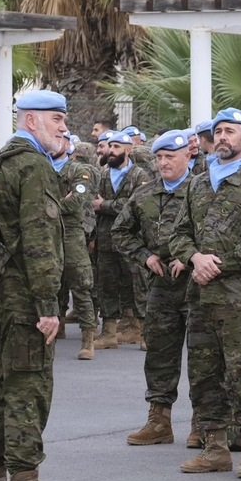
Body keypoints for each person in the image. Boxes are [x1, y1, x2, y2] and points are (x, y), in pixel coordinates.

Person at [0, 89, 75, 481]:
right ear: (31, 121)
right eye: (56, 119)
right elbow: (39, 240)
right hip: (23, 302)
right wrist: (49, 305)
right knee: (26, 394)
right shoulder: (33, 165)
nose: (63, 127)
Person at [170, 107, 241, 474]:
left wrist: (215, 264)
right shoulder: (197, 184)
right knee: (204, 376)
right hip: (200, 299)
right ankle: (214, 448)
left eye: (230, 131)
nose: (222, 137)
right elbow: (178, 234)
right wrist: (194, 257)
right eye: (218, 131)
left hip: (238, 301)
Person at [111, 130, 196, 445]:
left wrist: (190, 257)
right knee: (160, 353)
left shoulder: (202, 190)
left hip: (197, 285)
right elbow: (120, 231)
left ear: (187, 156)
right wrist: (145, 257)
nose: (163, 163)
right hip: (160, 285)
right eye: (159, 157)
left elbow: (217, 233)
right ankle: (159, 421)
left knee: (202, 357)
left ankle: (203, 423)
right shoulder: (144, 194)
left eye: (170, 157)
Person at [93, 130, 149, 349]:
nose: (111, 151)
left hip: (132, 240)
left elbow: (137, 205)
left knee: (137, 284)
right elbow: (92, 203)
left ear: (128, 150)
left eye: (117, 147)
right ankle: (108, 332)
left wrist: (105, 205)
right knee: (106, 284)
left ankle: (143, 331)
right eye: (110, 146)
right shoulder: (103, 175)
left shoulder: (139, 175)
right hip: (106, 239)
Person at [49, 131, 99, 360]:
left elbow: (76, 203)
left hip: (71, 233)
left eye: (60, 139)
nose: (54, 143)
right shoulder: (41, 166)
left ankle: (88, 338)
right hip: (47, 233)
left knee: (80, 284)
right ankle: (55, 327)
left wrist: (47, 205)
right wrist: (61, 201)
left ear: (68, 144)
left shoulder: (78, 170)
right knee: (51, 283)